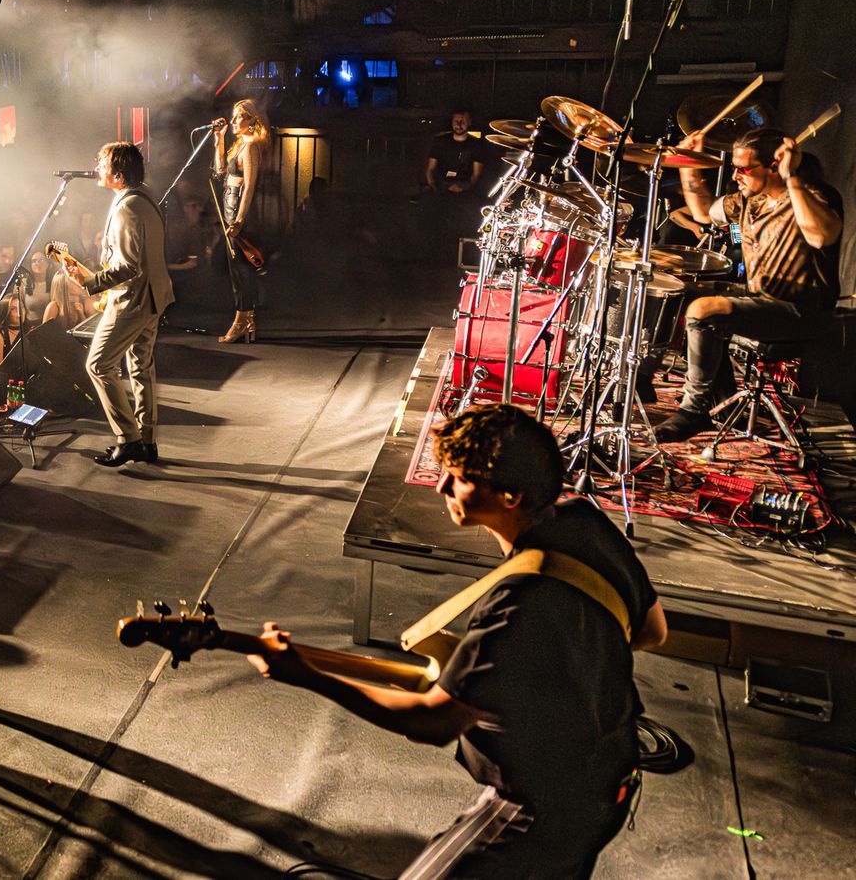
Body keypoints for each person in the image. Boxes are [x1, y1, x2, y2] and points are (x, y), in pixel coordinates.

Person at [246, 404, 666, 877]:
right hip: (614, 777)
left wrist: (306, 676)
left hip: (538, 813)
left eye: (459, 478)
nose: (441, 486)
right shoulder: (586, 521)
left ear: (509, 496)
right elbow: (653, 631)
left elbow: (434, 721)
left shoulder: (514, 607)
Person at [655, 127, 844, 442]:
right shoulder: (746, 200)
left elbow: (821, 236)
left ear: (774, 166)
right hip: (760, 297)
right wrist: (688, 164)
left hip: (802, 312)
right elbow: (702, 212)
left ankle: (694, 410)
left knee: (703, 310)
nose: (735, 176)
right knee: (676, 291)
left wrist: (792, 178)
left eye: (743, 168)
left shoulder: (813, 196)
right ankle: (716, 399)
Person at [59, 142, 174, 467]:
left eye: (102, 164)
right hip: (153, 296)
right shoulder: (144, 195)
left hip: (133, 301)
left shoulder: (127, 208)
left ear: (118, 175)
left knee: (98, 365)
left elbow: (128, 266)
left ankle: (129, 439)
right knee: (141, 367)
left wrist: (89, 281)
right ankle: (147, 441)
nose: (96, 167)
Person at [211, 100, 270, 343]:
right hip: (229, 209)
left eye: (239, 117)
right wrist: (219, 140)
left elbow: (249, 186)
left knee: (240, 269)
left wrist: (239, 220)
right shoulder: (240, 145)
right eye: (234, 116)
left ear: (252, 120)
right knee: (237, 268)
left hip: (239, 213)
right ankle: (249, 320)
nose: (234, 120)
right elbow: (219, 171)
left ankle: (241, 321)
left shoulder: (252, 147)